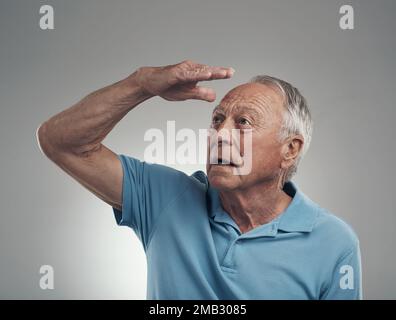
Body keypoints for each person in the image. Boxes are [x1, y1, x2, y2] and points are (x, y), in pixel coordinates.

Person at [37, 60, 362, 299]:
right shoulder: (165, 197)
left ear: (290, 149)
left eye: (244, 122)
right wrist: (140, 85)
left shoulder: (334, 243)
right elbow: (60, 140)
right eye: (217, 120)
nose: (220, 135)